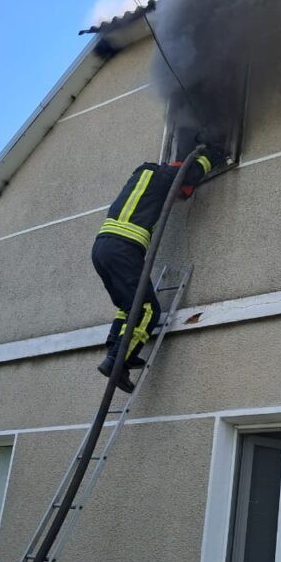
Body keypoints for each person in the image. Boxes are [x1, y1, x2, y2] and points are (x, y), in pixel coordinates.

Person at [91, 146, 224, 390]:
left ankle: (119, 351)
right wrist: (211, 157)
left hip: (101, 250)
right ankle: (117, 362)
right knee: (148, 309)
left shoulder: (137, 181)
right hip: (123, 249)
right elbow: (190, 172)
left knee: (128, 307)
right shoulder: (161, 175)